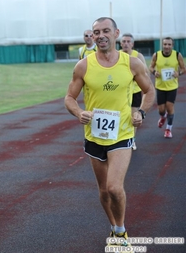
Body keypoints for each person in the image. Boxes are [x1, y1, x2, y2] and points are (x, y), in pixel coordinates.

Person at [64, 17, 155, 248]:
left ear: (116, 33)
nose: (101, 35)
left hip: (122, 134)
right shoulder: (83, 65)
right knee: (104, 191)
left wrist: (141, 113)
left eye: (106, 31)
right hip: (94, 135)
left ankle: (122, 231)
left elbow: (149, 91)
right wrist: (78, 113)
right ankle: (114, 227)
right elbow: (69, 98)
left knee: (115, 187)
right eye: (96, 32)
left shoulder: (131, 63)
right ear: (92, 37)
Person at [149, 37, 185, 138]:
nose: (167, 46)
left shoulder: (177, 55)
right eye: (165, 44)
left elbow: (183, 69)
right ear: (162, 45)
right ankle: (163, 116)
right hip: (160, 86)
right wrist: (154, 72)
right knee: (161, 109)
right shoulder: (157, 55)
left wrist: (179, 73)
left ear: (172, 45)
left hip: (172, 86)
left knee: (170, 107)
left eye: (169, 44)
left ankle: (168, 129)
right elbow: (151, 67)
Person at [119, 33, 149, 150]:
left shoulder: (138, 56)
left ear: (132, 44)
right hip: (120, 91)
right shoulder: (117, 55)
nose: (126, 44)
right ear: (120, 43)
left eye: (128, 41)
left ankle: (132, 139)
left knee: (134, 117)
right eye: (124, 41)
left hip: (135, 91)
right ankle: (119, 138)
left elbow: (145, 72)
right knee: (120, 115)